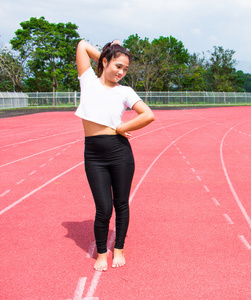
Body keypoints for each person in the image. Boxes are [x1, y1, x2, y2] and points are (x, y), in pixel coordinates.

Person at [75, 39, 154, 271]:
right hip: (94, 155)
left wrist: (122, 128)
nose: (121, 72)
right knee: (103, 209)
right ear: (104, 62)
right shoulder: (88, 80)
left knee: (121, 204)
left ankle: (118, 248)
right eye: (118, 66)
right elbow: (81, 45)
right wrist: (110, 50)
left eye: (125, 69)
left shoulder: (125, 91)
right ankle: (101, 253)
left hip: (120, 153)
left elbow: (148, 115)